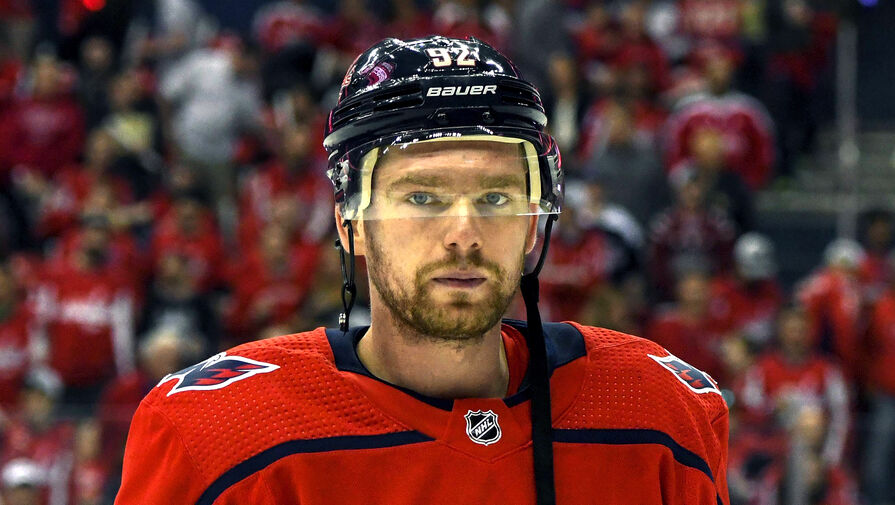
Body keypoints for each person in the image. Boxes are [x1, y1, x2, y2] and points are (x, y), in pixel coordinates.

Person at [115, 36, 730, 504]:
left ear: (533, 224)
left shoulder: (656, 415)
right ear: (351, 222)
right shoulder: (221, 437)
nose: (464, 233)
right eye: (422, 197)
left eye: (496, 197)